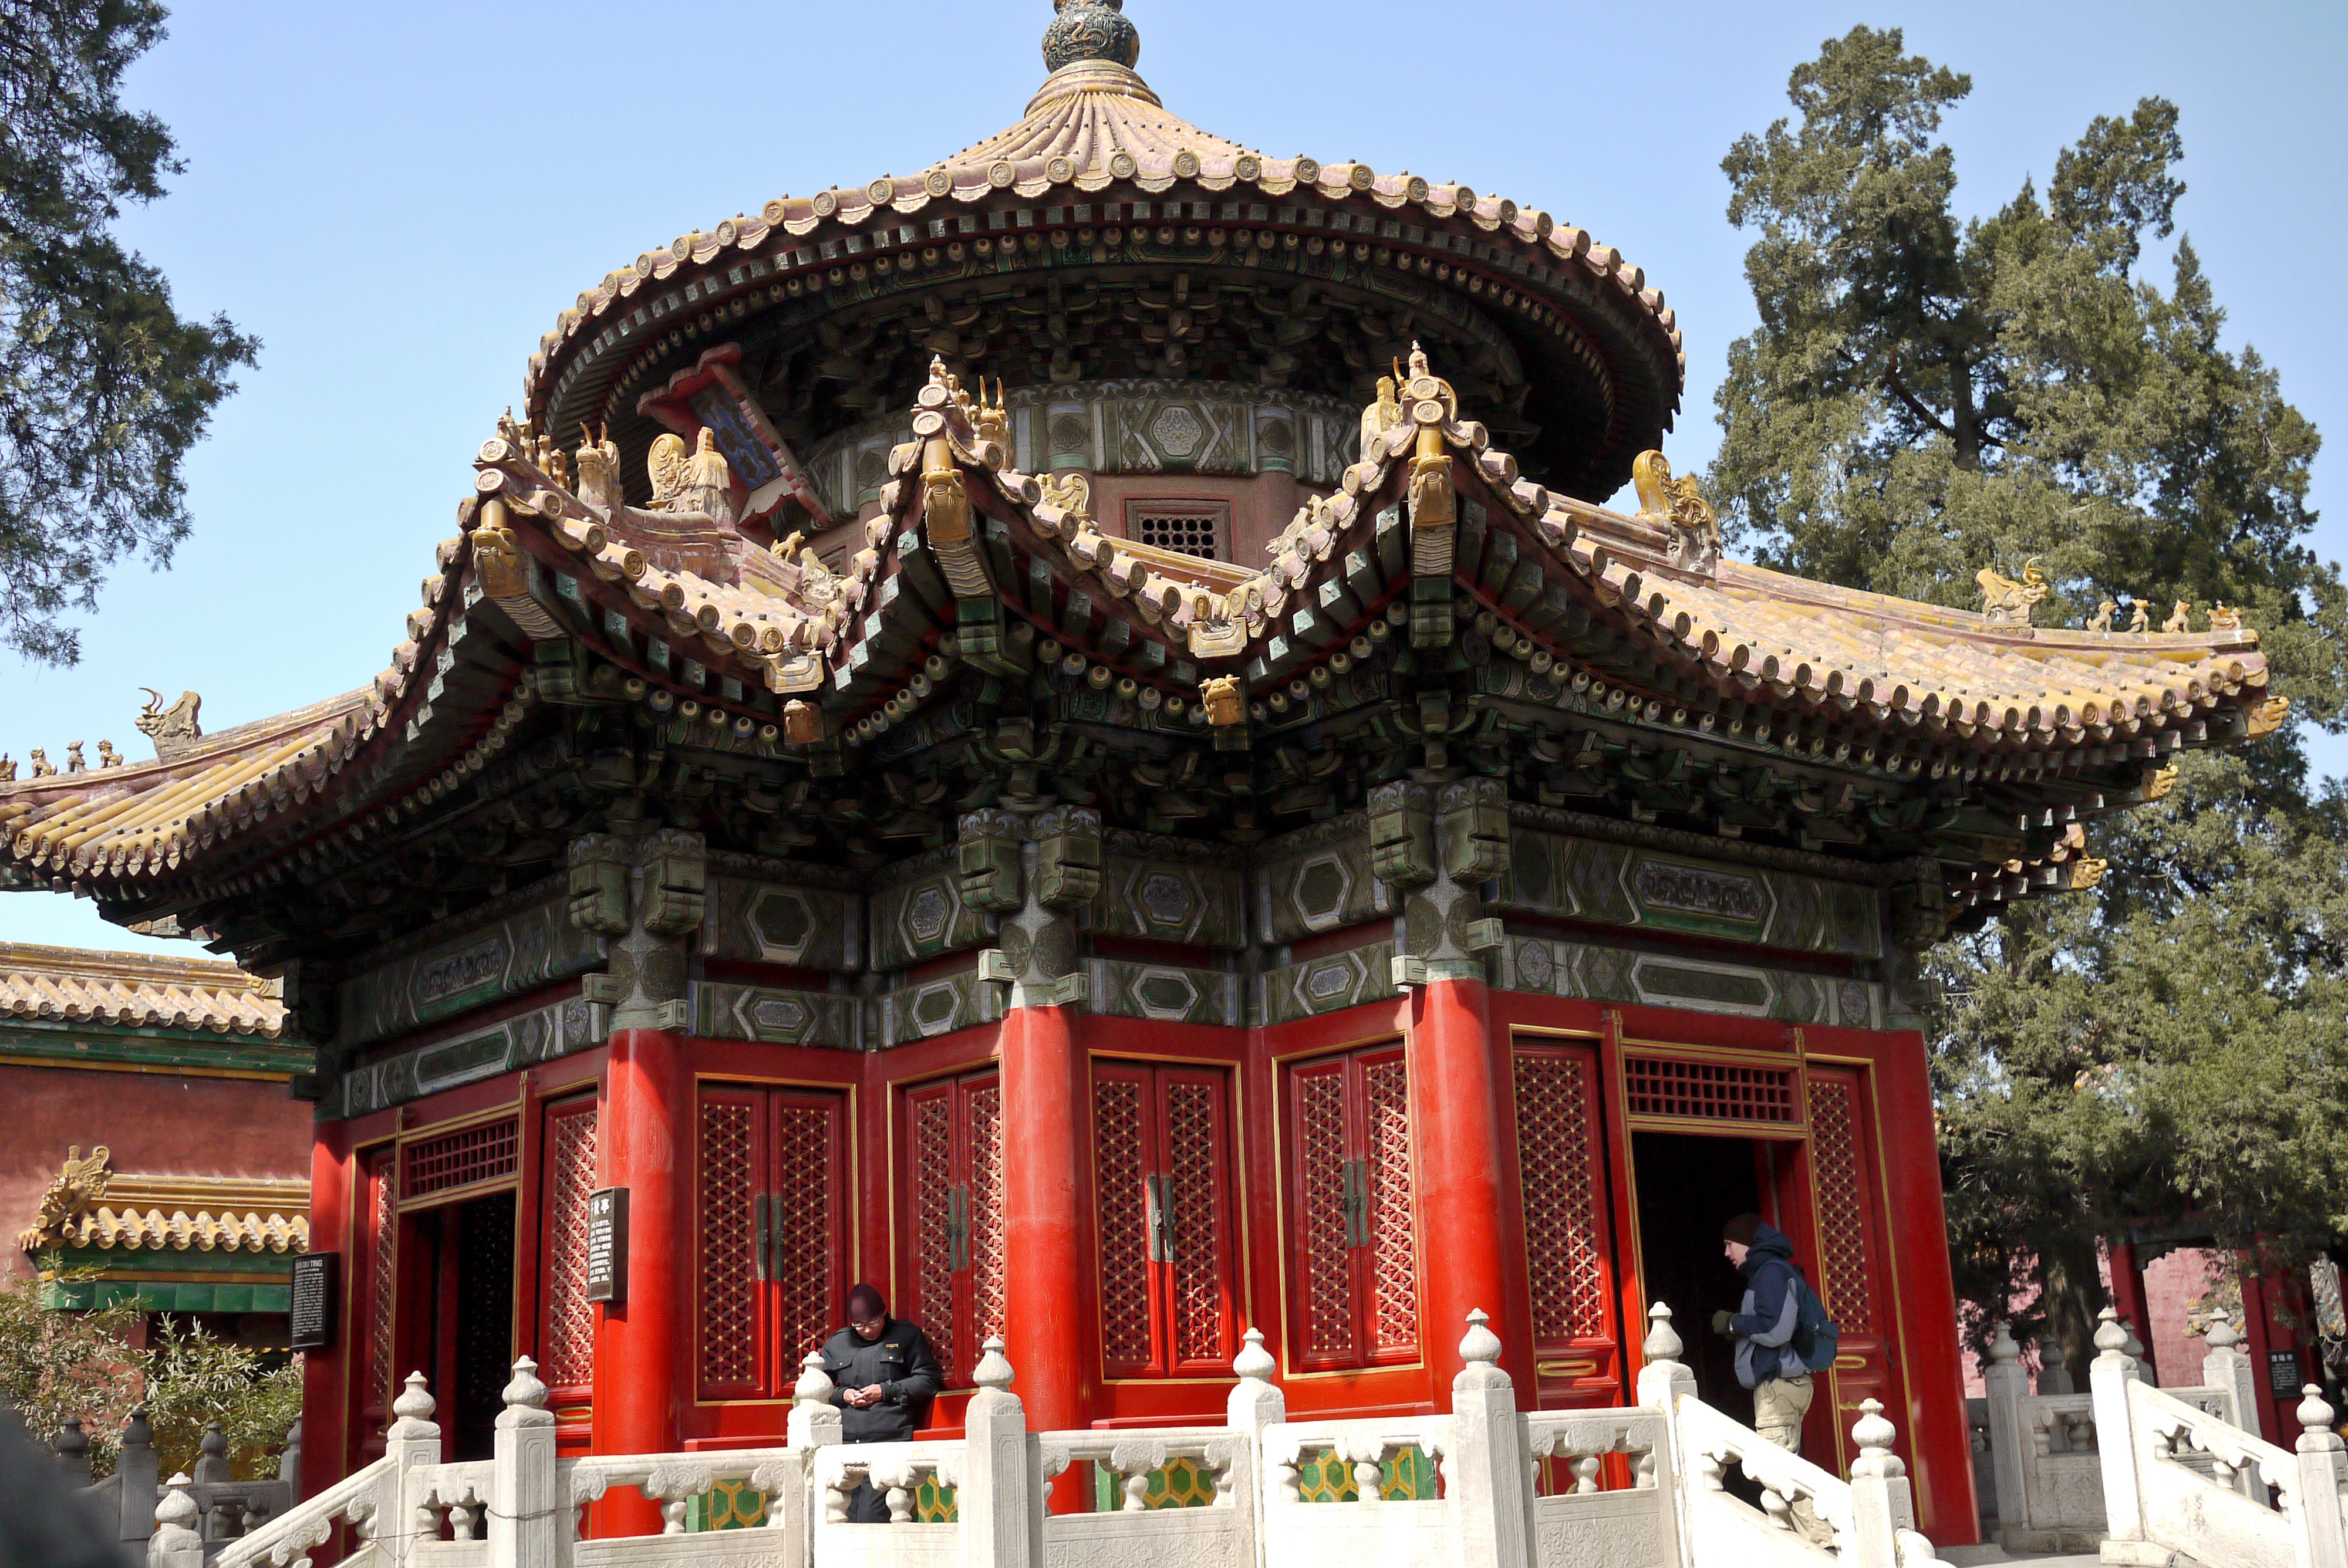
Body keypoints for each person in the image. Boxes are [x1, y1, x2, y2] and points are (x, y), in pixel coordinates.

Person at [1712, 1214, 1829, 1543]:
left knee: (1779, 1472)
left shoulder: (1770, 1273)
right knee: (1784, 1465)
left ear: (1747, 1245)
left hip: (1779, 1387)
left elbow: (1775, 1329)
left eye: (1729, 1245)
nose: (1727, 1253)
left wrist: (1734, 1324)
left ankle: (1828, 1544)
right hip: (1789, 1384)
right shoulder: (1772, 1271)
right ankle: (1809, 1547)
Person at [820, 1283, 944, 1523]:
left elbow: (928, 1380)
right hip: (848, 1445)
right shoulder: (838, 1344)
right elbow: (818, 1389)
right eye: (859, 1325)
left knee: (871, 1518)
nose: (866, 1330)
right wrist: (843, 1395)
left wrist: (886, 1391)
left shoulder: (906, 1336)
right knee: (845, 1520)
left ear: (885, 1313)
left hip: (890, 1440)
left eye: (873, 1322)